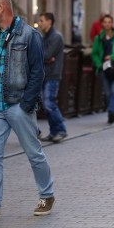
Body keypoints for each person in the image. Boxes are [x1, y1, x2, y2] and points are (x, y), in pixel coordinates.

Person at [0, 0, 55, 220]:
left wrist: (26, 104)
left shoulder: (29, 35)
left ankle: (47, 194)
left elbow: (37, 72)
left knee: (33, 153)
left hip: (17, 104)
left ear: (2, 7)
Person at [37, 12, 68, 142]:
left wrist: (45, 58)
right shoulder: (45, 37)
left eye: (42, 21)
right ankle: (54, 131)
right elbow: (42, 55)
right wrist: (44, 58)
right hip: (45, 74)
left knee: (49, 103)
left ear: (49, 21)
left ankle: (61, 130)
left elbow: (46, 55)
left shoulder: (56, 37)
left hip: (52, 75)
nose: (40, 23)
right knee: (46, 104)